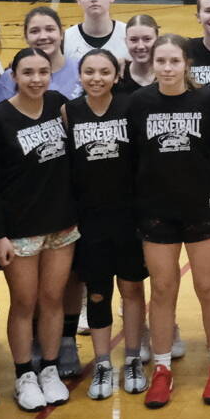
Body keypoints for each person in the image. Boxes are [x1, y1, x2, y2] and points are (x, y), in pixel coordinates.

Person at [128, 36, 210, 408]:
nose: (167, 68)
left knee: (208, 287)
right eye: (161, 61)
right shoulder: (139, 103)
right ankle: (161, 368)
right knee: (163, 288)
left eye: (174, 61)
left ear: (186, 63)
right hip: (156, 208)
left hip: (201, 207)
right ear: (152, 64)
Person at [0, 48, 78, 413]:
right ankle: (24, 374)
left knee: (53, 299)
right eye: (28, 73)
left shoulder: (58, 103)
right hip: (20, 228)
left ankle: (50, 368)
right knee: (24, 303)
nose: (37, 79)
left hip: (61, 223)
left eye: (42, 71)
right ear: (15, 76)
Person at [65, 49, 146, 399]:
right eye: (89, 71)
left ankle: (132, 358)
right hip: (90, 220)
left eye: (104, 72)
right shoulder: (70, 112)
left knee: (131, 290)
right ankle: (101, 362)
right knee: (97, 292)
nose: (96, 78)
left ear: (116, 75)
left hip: (128, 217)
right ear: (79, 76)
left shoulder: (130, 107)